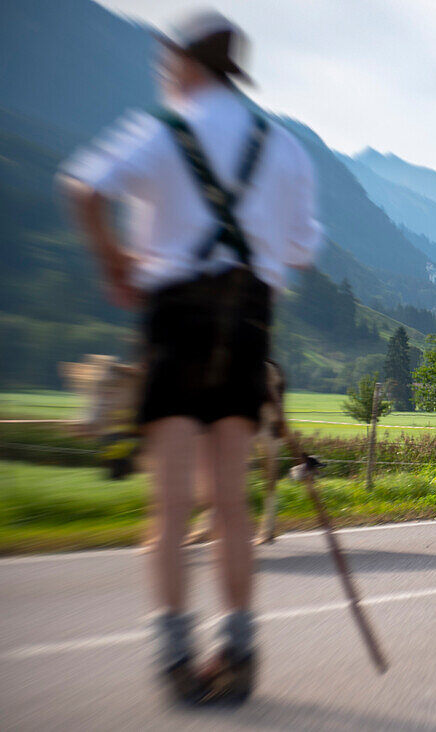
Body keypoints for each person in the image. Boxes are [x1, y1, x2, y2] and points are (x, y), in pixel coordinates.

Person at [60, 11, 322, 704]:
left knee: (172, 505)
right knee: (230, 503)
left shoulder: (162, 129)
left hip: (175, 319)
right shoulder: (283, 146)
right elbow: (302, 249)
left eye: (167, 59)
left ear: (187, 64)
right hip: (245, 324)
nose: (163, 70)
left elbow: (82, 188)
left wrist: (116, 261)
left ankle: (177, 654)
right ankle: (237, 651)